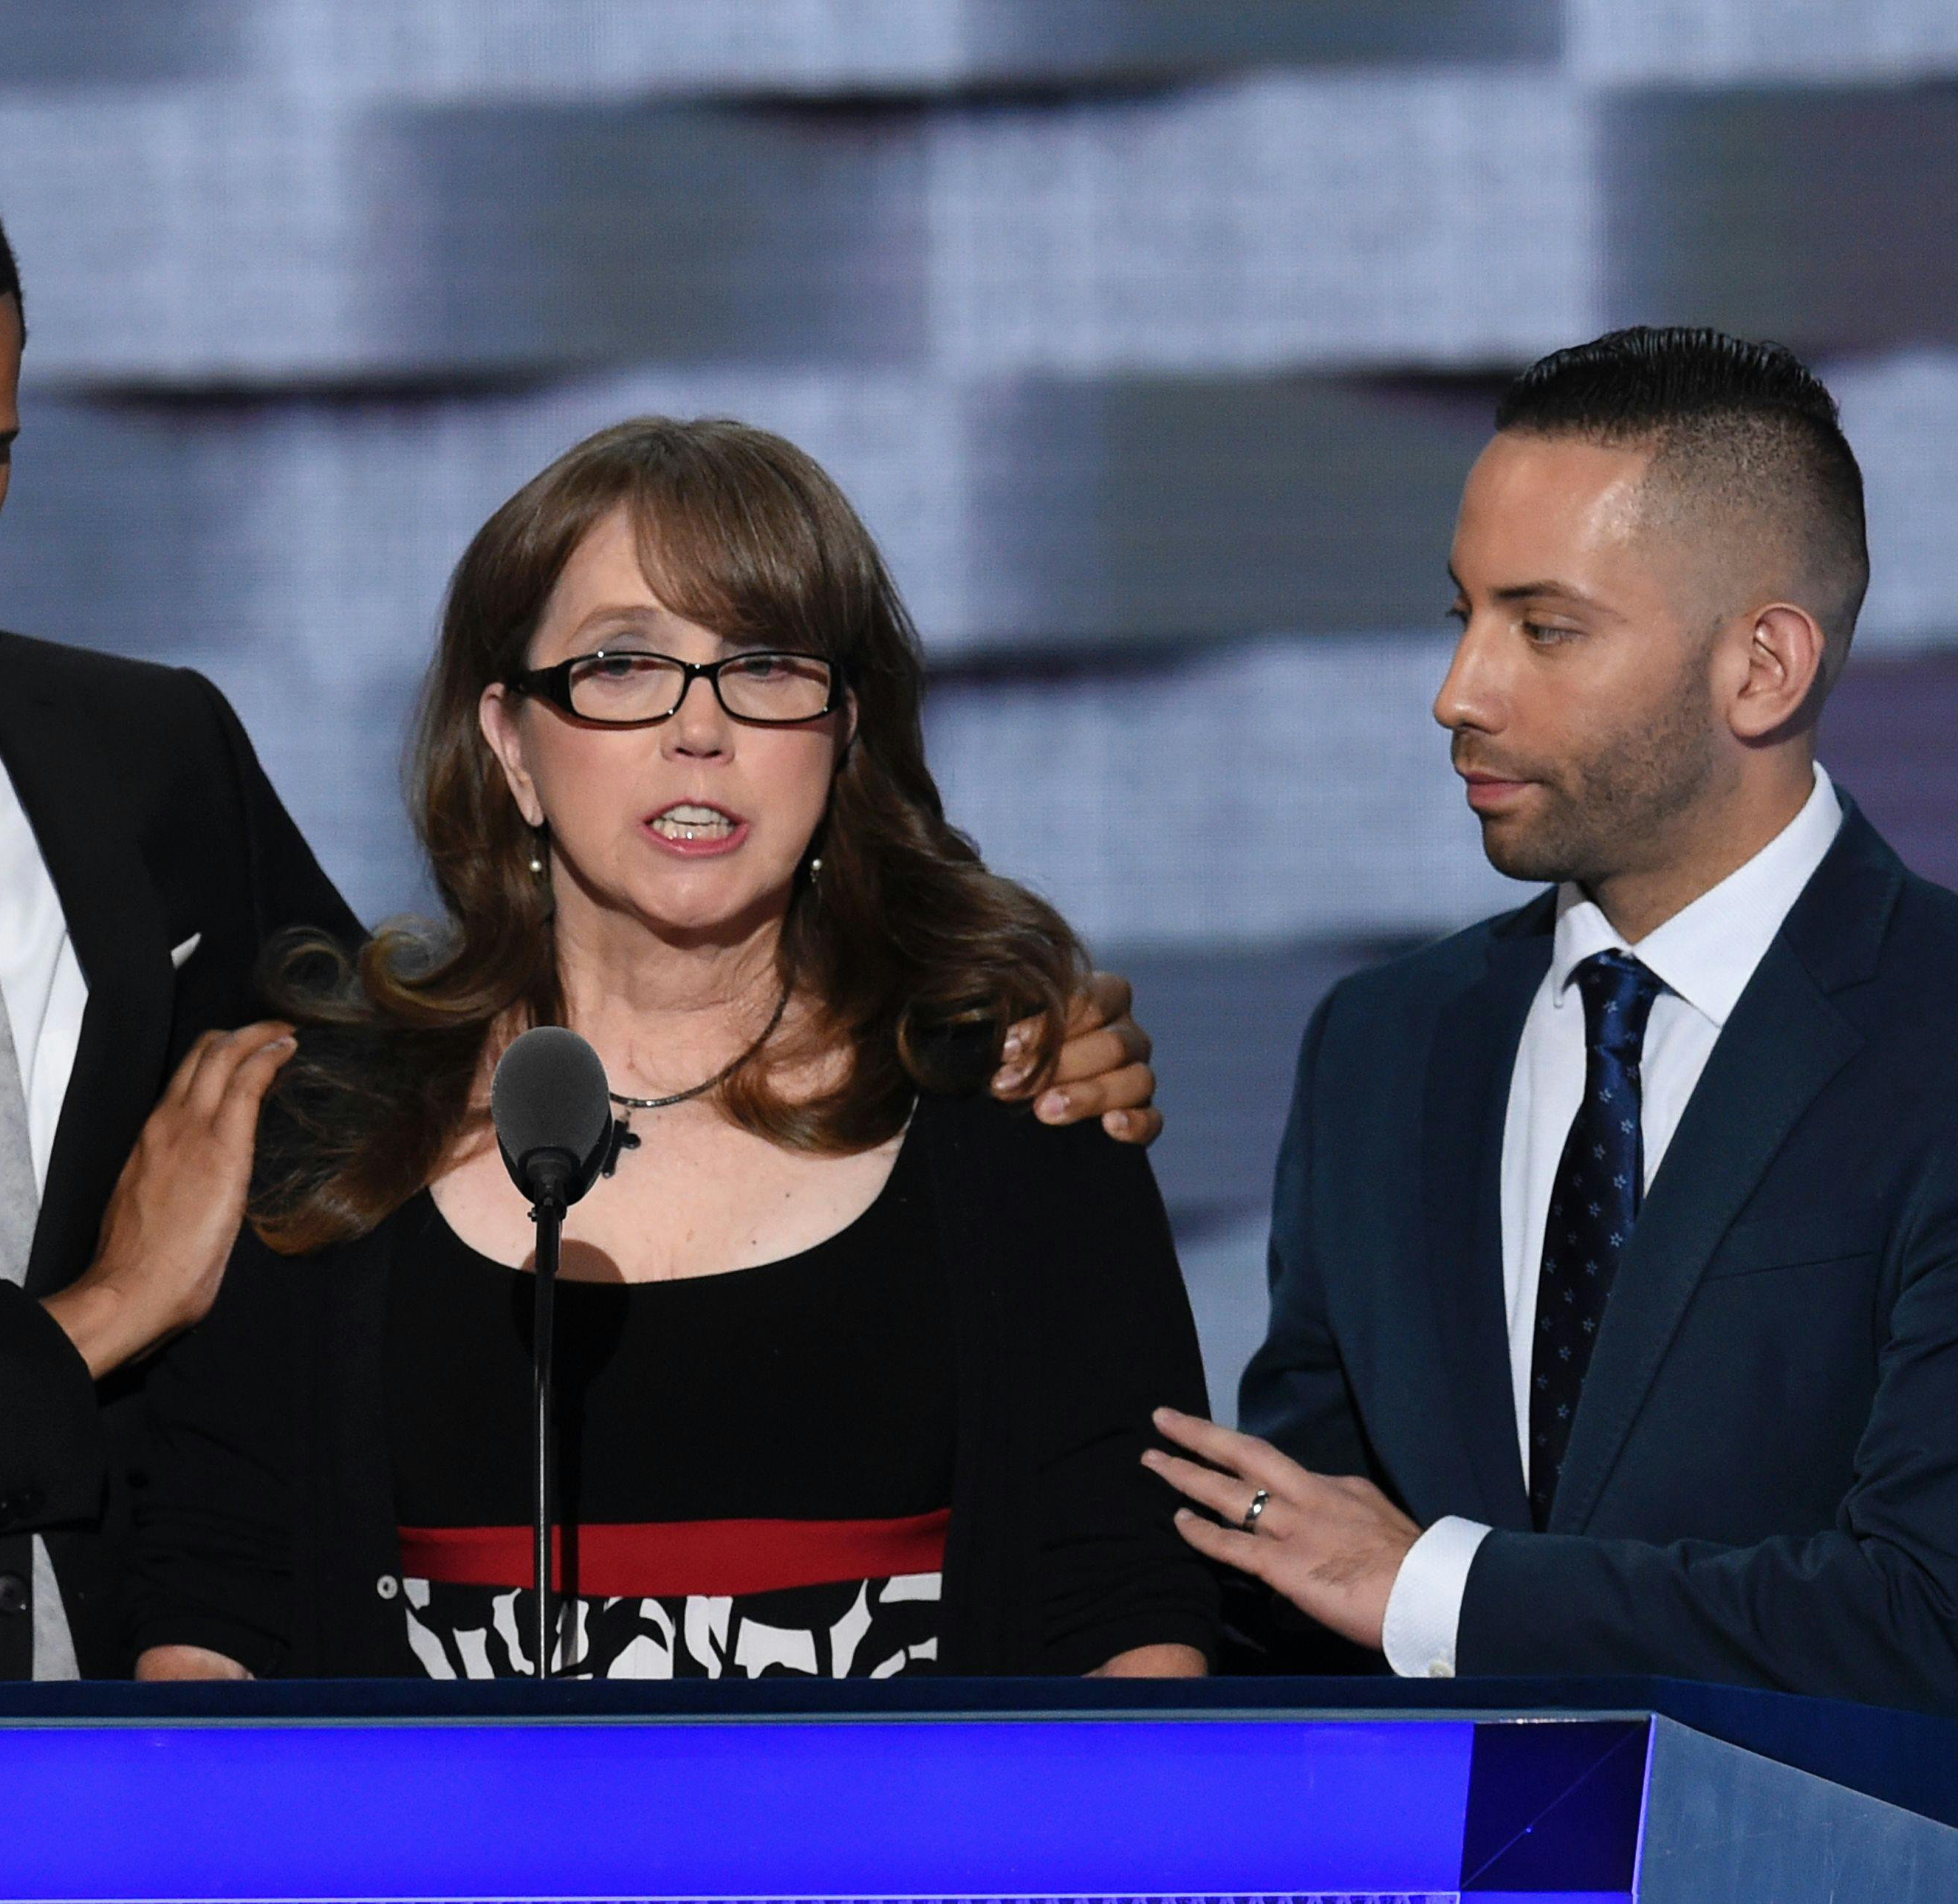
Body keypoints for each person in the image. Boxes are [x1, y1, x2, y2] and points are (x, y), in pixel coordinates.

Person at [0, 112, 1163, 1682]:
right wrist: (92, 1317)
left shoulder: (145, 753)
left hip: (165, 1752)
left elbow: (405, 1088)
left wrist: (1002, 1028)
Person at [1143, 328, 1958, 1904]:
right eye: (1461, 615)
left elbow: (1930, 1637)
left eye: (1544, 628)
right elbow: (1297, 1574)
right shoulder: (1383, 1045)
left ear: (1763, 665)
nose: (1457, 691)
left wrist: (1437, 1586)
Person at [127, 417, 1217, 1680]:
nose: (700, 729)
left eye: (765, 664)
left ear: (843, 732)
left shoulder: (1021, 1111)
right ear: (511, 742)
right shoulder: (330, 1138)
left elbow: (1132, 1617)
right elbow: (210, 1617)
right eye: (623, 665)